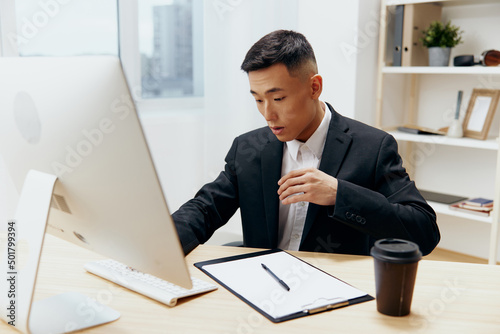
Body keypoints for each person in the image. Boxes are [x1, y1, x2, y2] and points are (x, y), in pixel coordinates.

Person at [172, 29, 440, 256]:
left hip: (335, 293)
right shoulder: (247, 149)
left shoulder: (373, 147)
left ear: (314, 87)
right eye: (257, 99)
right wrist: (163, 243)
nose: (268, 114)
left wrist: (340, 194)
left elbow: (424, 232)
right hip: (261, 285)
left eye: (278, 99)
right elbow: (205, 210)